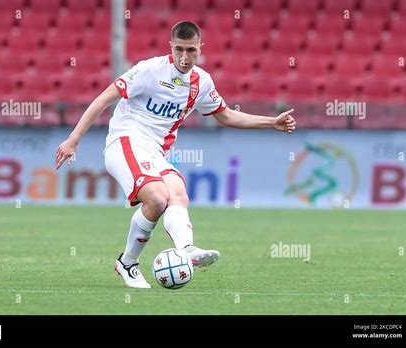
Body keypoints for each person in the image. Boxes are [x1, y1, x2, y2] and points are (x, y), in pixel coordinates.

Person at [55, 20, 296, 288]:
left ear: (200, 48)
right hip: (125, 141)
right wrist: (73, 139)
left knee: (177, 192)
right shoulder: (148, 70)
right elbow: (104, 99)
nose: (184, 57)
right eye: (179, 49)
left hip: (156, 152)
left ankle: (185, 249)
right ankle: (129, 263)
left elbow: (226, 116)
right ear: (170, 46)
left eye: (191, 50)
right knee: (157, 198)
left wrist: (271, 122)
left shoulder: (201, 82)